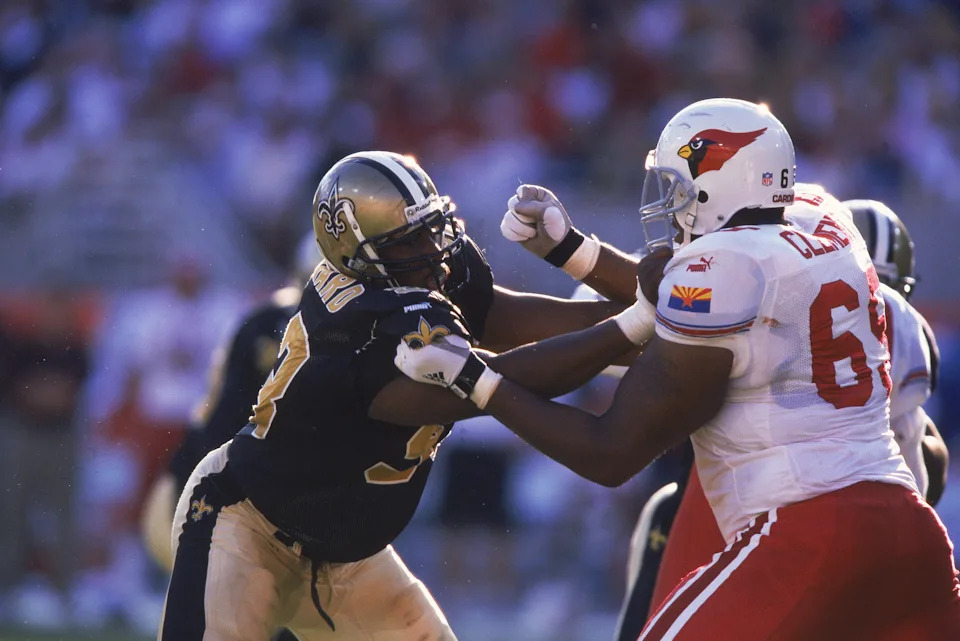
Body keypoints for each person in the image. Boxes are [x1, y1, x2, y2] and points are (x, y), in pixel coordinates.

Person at [396, 99, 960, 639]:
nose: (671, 207)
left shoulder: (725, 273)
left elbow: (610, 451)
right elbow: (684, 300)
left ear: (723, 183)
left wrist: (479, 382)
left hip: (807, 531)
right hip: (911, 532)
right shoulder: (823, 217)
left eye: (681, 188)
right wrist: (573, 250)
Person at [158, 150, 647, 640]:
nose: (433, 249)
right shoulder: (355, 331)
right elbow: (512, 382)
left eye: (430, 228)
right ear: (358, 254)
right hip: (249, 526)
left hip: (348, 558)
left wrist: (650, 312)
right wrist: (633, 326)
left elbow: (517, 325)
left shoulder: (408, 276)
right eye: (407, 240)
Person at [613, 188, 952, 641]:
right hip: (888, 531)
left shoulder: (772, 294)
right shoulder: (907, 331)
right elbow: (925, 464)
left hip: (780, 520)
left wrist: (576, 256)